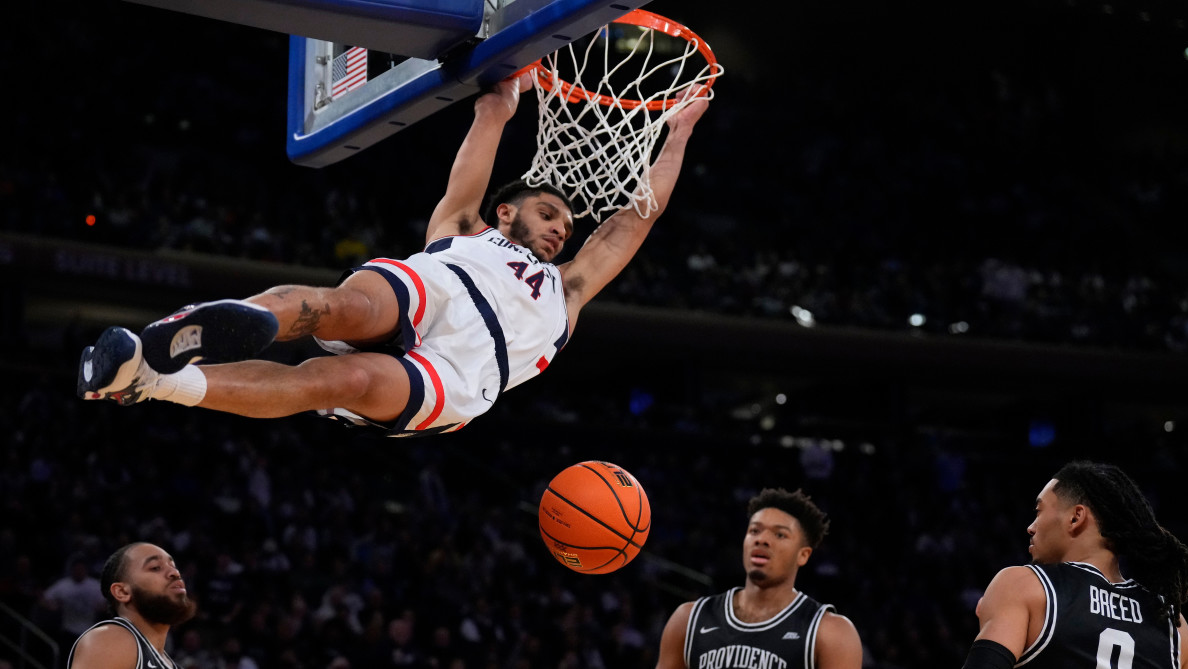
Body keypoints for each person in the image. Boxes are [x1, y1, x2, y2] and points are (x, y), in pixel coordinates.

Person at [76, 72, 710, 437]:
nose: (561, 230)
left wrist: (677, 134)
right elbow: (487, 126)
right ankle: (202, 326)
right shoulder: (464, 227)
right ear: (506, 212)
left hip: (464, 373)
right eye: (549, 213)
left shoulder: (566, 290)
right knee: (336, 305)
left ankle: (151, 380)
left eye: (567, 227)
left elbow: (630, 226)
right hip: (442, 283)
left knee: (337, 380)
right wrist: (499, 103)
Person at [963, 460, 1188, 669]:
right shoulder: (1174, 626)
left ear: (1076, 517)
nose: (1031, 527)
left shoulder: (1025, 586)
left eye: (1039, 511)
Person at [655, 488, 863, 669]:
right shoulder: (689, 619)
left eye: (780, 535)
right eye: (754, 531)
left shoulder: (830, 632)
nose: (762, 539)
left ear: (803, 555)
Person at [67, 542, 198, 669]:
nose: (175, 573)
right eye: (155, 567)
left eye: (173, 566)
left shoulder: (169, 662)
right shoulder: (111, 640)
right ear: (122, 592)